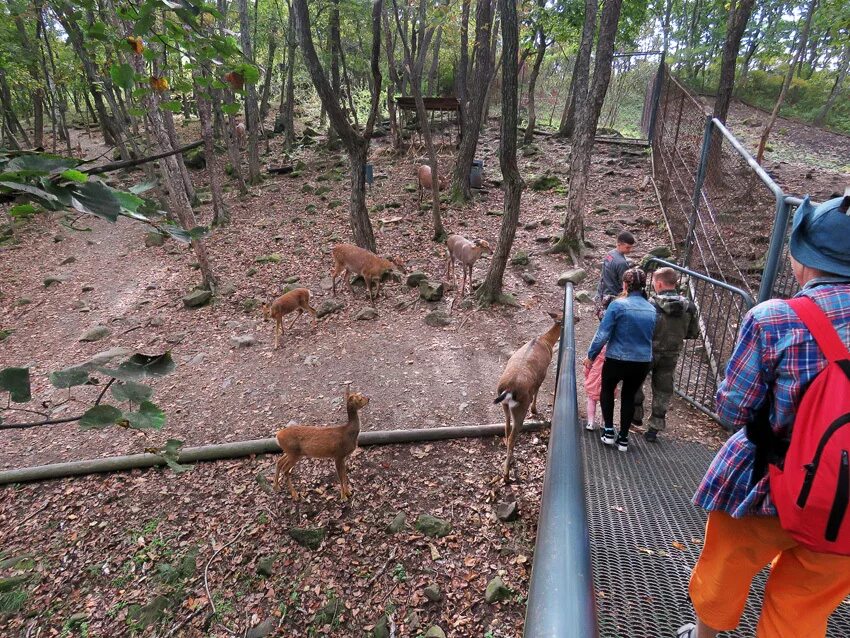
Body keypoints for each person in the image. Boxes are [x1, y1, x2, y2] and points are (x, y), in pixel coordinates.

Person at [677, 194, 850, 638]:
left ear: (803, 256)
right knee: (804, 606)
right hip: (844, 508)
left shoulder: (775, 319)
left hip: (765, 485)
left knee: (726, 563)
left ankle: (704, 635)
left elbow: (732, 408)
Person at [584, 267, 657, 452]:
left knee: (607, 389)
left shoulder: (618, 305)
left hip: (617, 357)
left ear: (625, 284)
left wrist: (591, 355)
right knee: (629, 396)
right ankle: (623, 438)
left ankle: (608, 431)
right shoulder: (651, 309)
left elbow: (603, 334)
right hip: (641, 361)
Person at [633, 266, 699, 442]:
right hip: (671, 352)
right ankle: (654, 427)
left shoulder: (650, 305)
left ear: (660, 283)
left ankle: (636, 415)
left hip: (648, 351)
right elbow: (693, 333)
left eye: (654, 282)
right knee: (663, 388)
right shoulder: (689, 307)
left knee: (635, 380)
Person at [595, 231, 635, 320]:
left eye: (631, 247)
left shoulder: (610, 254)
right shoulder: (621, 263)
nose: (630, 250)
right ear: (619, 244)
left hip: (602, 293)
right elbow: (625, 283)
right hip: (612, 297)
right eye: (627, 247)